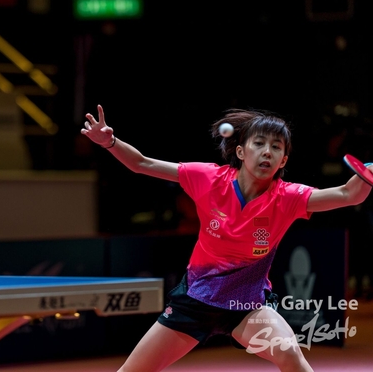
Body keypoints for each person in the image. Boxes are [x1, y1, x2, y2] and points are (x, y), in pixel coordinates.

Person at [81, 105, 372, 372]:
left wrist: (368, 174)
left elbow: (348, 193)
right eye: (259, 143)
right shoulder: (209, 178)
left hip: (246, 306)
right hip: (195, 301)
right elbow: (141, 164)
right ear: (241, 152)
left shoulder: (288, 197)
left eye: (276, 147)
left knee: (290, 355)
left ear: (283, 159)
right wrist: (110, 142)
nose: (267, 152)